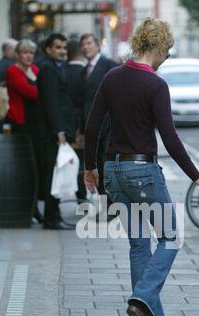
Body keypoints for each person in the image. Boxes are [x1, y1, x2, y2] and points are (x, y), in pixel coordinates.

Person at [84, 18, 199, 316]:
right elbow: (169, 138)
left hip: (114, 171)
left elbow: (93, 126)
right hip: (143, 173)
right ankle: (142, 295)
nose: (167, 57)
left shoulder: (112, 77)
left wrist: (90, 168)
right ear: (155, 47)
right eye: (167, 51)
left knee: (140, 245)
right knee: (170, 237)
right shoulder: (156, 85)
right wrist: (196, 176)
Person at [37, 33, 77, 230]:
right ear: (48, 49)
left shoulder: (54, 67)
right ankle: (51, 219)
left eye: (64, 47)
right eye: (58, 47)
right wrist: (59, 131)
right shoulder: (47, 68)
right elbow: (51, 102)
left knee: (56, 174)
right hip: (52, 134)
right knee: (53, 175)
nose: (62, 51)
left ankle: (54, 216)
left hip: (56, 132)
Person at [78, 33, 117, 218]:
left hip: (108, 124)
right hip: (91, 125)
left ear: (97, 45)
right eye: (83, 44)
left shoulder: (109, 65)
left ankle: (111, 206)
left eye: (89, 43)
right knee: (95, 165)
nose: (86, 47)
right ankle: (105, 205)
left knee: (104, 164)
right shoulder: (83, 70)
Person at [5, 39, 44, 223]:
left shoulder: (35, 70)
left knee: (37, 167)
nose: (29, 56)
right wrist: (43, 90)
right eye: (25, 52)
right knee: (28, 169)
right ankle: (31, 208)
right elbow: (31, 92)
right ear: (18, 55)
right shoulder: (13, 71)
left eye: (32, 53)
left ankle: (35, 205)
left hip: (36, 125)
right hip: (22, 125)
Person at [66, 39, 87, 201]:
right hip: (82, 123)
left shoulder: (62, 71)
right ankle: (82, 195)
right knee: (83, 161)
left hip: (66, 123)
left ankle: (79, 195)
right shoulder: (85, 73)